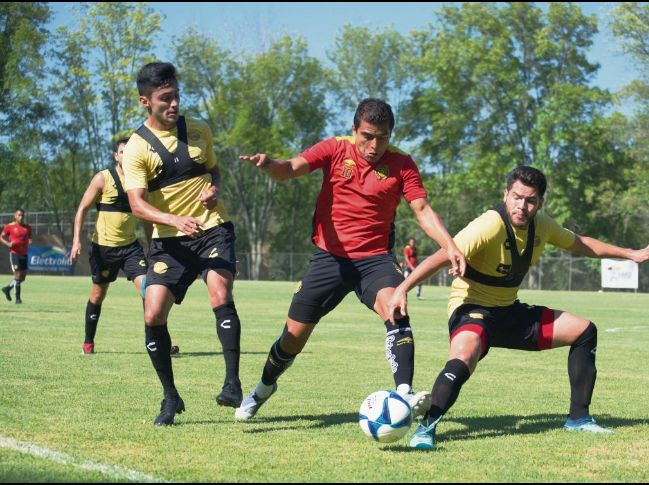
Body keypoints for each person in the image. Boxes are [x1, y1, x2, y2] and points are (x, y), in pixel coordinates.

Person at [387, 166, 649, 449]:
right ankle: (426, 429)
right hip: (472, 308)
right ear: (506, 195)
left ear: (540, 203)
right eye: (517, 197)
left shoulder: (543, 226)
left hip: (509, 311)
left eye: (530, 200)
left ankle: (579, 419)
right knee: (465, 355)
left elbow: (581, 244)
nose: (522, 206)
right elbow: (441, 256)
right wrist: (402, 289)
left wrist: (630, 253)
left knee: (584, 331)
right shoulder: (489, 225)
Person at [236, 98, 466, 422]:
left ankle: (403, 394)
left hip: (375, 261)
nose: (374, 146)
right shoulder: (334, 148)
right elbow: (289, 168)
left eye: (382, 138)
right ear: (354, 129)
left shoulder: (402, 163)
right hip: (329, 259)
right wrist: (268, 164)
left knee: (397, 309)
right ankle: (263, 388)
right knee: (292, 339)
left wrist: (449, 244)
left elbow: (422, 209)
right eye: (367, 136)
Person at [122, 62, 242, 426]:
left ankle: (232, 384)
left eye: (176, 96)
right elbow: (136, 204)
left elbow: (215, 170)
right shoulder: (137, 147)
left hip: (212, 230)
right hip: (169, 242)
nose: (174, 104)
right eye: (165, 98)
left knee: (219, 290)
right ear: (145, 101)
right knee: (152, 313)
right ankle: (171, 397)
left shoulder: (199, 130)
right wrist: (174, 220)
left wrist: (214, 189)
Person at [69, 137, 179, 356]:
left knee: (148, 291)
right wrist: (76, 240)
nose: (125, 155)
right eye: (122, 152)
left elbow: (146, 216)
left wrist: (153, 246)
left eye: (129, 152)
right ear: (116, 156)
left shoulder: (139, 181)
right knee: (98, 295)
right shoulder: (102, 178)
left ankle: (159, 344)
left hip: (130, 248)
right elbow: (82, 209)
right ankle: (88, 343)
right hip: (103, 249)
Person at [1, 209, 32, 304]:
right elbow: (1, 237)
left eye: (22, 215)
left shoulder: (27, 227)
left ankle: (7, 288)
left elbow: (29, 237)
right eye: (19, 215)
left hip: (24, 254)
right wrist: (8, 243)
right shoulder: (10, 226)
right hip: (14, 254)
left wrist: (30, 240)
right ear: (15, 216)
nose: (21, 217)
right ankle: (18, 299)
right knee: (18, 276)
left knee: (22, 278)